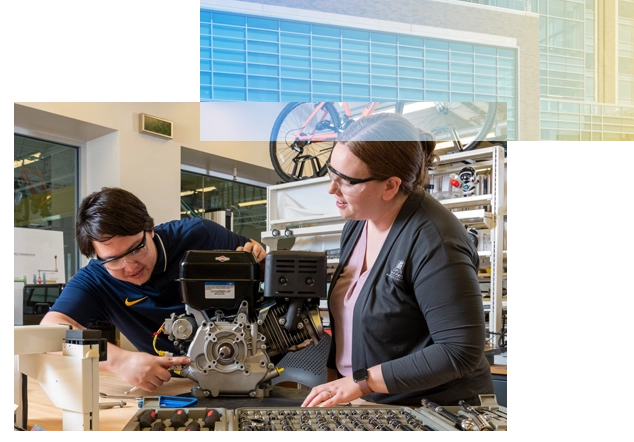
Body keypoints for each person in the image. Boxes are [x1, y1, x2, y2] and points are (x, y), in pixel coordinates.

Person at [302, 114, 493, 407]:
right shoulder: (358, 222)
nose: (332, 188)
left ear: (390, 186)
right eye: (332, 173)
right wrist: (335, 384)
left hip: (431, 411)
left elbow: (459, 350)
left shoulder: (434, 239)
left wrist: (360, 382)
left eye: (347, 181)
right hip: (367, 403)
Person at [40, 187, 266, 392]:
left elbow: (261, 263)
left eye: (136, 249)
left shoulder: (200, 236)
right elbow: (48, 333)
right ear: (98, 257)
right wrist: (118, 360)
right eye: (114, 260)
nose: (130, 266)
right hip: (173, 387)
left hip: (251, 373)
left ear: (150, 230)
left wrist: (260, 256)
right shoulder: (95, 280)